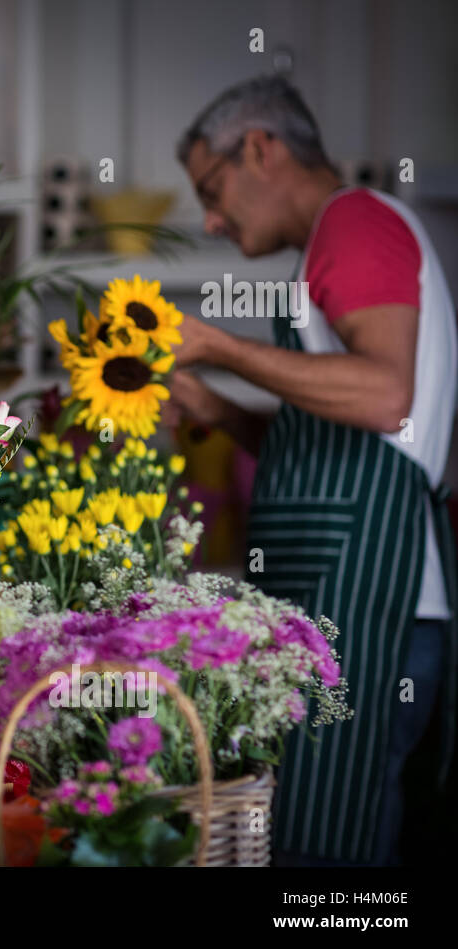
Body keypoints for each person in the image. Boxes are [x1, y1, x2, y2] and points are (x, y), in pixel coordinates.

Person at [167, 75, 457, 865]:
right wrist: (217, 409)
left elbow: (383, 395)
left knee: (333, 851)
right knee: (322, 838)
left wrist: (221, 346)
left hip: (378, 606)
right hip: (353, 602)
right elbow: (328, 434)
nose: (211, 219)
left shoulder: (356, 222)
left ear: (260, 148)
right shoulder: (336, 239)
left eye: (212, 189)